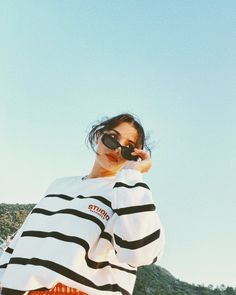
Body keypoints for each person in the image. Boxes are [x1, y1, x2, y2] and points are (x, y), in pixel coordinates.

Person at [0, 113, 165, 295]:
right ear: (97, 136)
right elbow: (21, 241)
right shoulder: (59, 185)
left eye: (128, 148)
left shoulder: (126, 194)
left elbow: (141, 252)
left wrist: (133, 174)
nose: (118, 149)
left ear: (134, 157)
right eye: (112, 138)